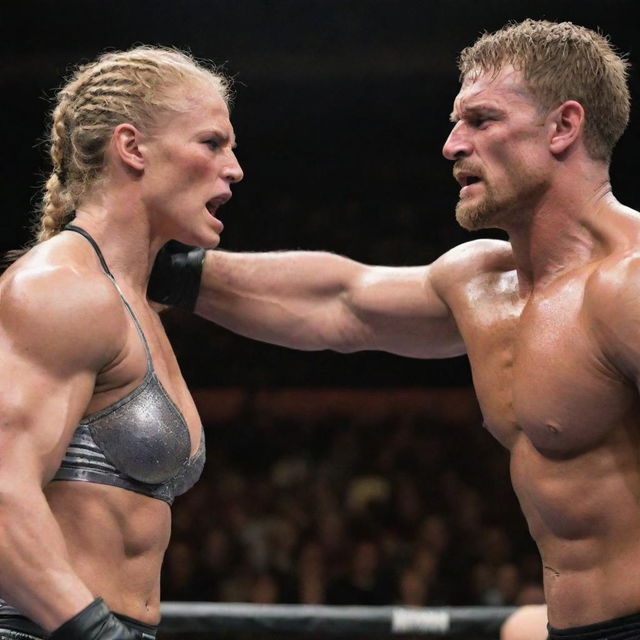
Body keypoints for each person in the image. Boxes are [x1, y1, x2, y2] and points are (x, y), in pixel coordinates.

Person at [149, 19, 639, 639]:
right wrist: (160, 268)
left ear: (564, 126)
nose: (452, 144)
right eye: (456, 121)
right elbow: (341, 302)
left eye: (483, 120)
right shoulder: (480, 282)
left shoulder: (629, 285)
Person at [0, 46, 242, 639]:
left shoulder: (136, 301)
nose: (233, 169)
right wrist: (94, 634)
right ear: (132, 148)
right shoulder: (60, 288)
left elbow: (337, 299)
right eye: (212, 143)